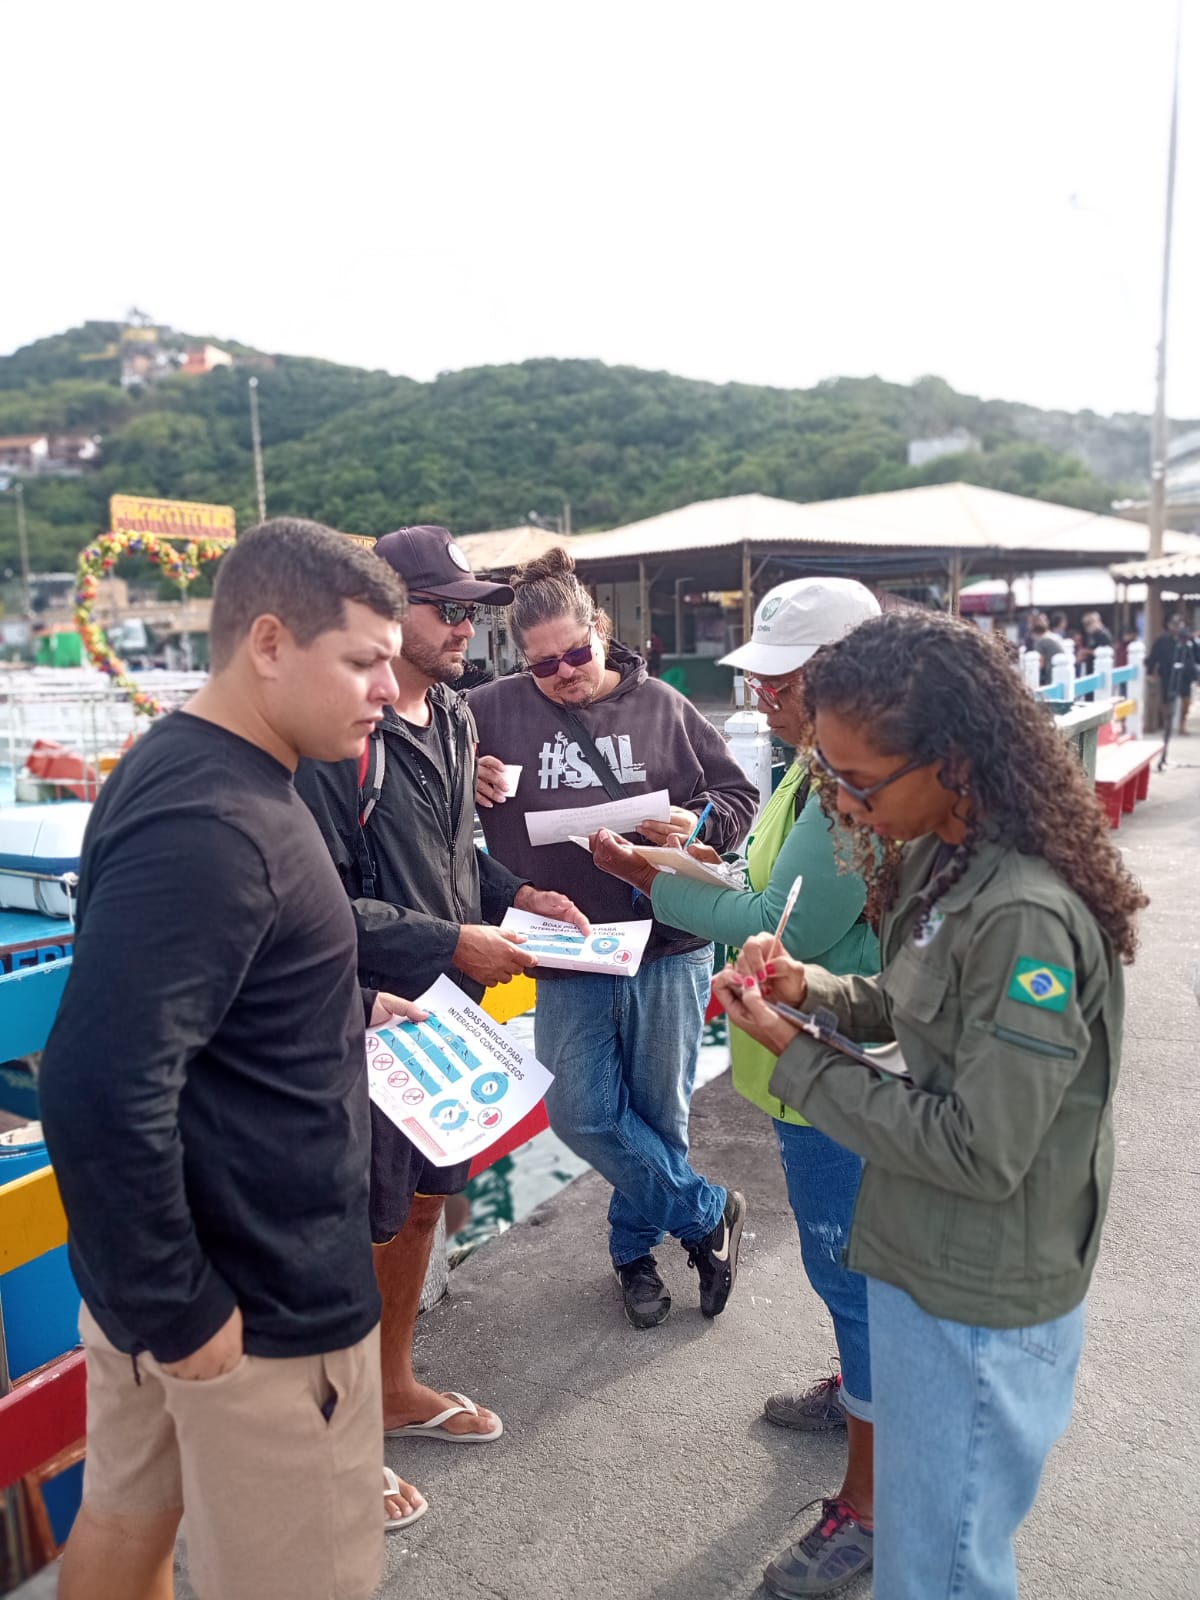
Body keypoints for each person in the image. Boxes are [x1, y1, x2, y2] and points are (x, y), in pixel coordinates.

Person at [715, 608, 1145, 1600]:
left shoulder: (1024, 915)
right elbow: (907, 1007)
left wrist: (795, 1057)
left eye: (858, 781)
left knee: (941, 1570)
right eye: (828, 776)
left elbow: (980, 1149)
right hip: (925, 1257)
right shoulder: (946, 861)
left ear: (953, 760)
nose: (846, 806)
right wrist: (807, 992)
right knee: (922, 1540)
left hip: (979, 1292)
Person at [38, 520, 424, 1600]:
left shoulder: (197, 769)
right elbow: (98, 1081)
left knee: (125, 1524)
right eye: (360, 659)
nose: (387, 688)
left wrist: (340, 1006)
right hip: (255, 1305)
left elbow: (199, 1000)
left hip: (181, 1285)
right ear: (267, 641)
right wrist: (186, 1310)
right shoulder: (219, 819)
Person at [590, 576, 882, 1596]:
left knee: (856, 1282)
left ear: (849, 677)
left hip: (837, 1080)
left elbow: (779, 925)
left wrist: (647, 878)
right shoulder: (819, 770)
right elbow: (765, 877)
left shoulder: (859, 789)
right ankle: (861, 1396)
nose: (764, 697)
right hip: (809, 1070)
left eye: (783, 679)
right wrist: (700, 853)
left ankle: (873, 1505)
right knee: (848, 1281)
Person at [295, 525, 589, 1506]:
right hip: (371, 1014)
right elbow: (322, 900)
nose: (469, 625)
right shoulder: (346, 742)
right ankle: (334, 1437)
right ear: (390, 614)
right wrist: (448, 941)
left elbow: (457, 859)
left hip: (448, 1013)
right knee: (357, 1224)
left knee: (423, 1203)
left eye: (474, 608)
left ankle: (390, 1384)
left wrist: (515, 897)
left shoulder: (458, 719)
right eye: (448, 609)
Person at [471, 547, 758, 1327]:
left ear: (600, 631)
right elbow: (426, 777)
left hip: (668, 940)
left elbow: (738, 796)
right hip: (566, 945)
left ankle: (634, 1254)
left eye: (574, 653)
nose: (563, 673)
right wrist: (470, 777)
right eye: (543, 665)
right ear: (520, 662)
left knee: (660, 1116)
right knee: (582, 1113)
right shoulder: (486, 712)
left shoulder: (663, 705)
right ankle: (706, 1216)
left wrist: (695, 823)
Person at [1147, 613, 1197, 748]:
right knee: (1167, 700)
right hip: (1167, 673)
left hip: (1185, 674)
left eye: (1179, 623)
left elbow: (1196, 656)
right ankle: (1167, 723)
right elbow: (1153, 656)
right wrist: (1150, 671)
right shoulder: (1162, 640)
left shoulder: (1188, 640)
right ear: (1168, 625)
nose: (1176, 627)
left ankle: (1182, 724)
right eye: (1173, 624)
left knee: (1186, 699)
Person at [1028, 612, 1066, 685]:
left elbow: (1040, 664)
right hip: (1061, 672)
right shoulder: (1054, 636)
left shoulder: (1041, 641)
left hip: (1051, 675)